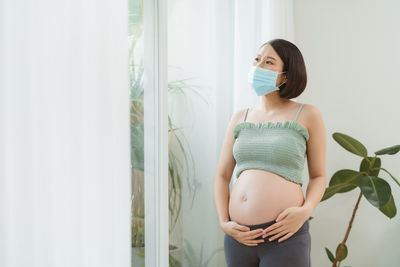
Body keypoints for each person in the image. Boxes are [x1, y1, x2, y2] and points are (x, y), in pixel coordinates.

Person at [213, 38, 327, 267]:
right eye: (256, 60)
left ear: (285, 75)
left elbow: (318, 176)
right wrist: (224, 222)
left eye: (268, 62)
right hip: (239, 238)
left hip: (284, 236)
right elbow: (222, 176)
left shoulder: (307, 115)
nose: (258, 66)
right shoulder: (240, 117)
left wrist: (305, 211)